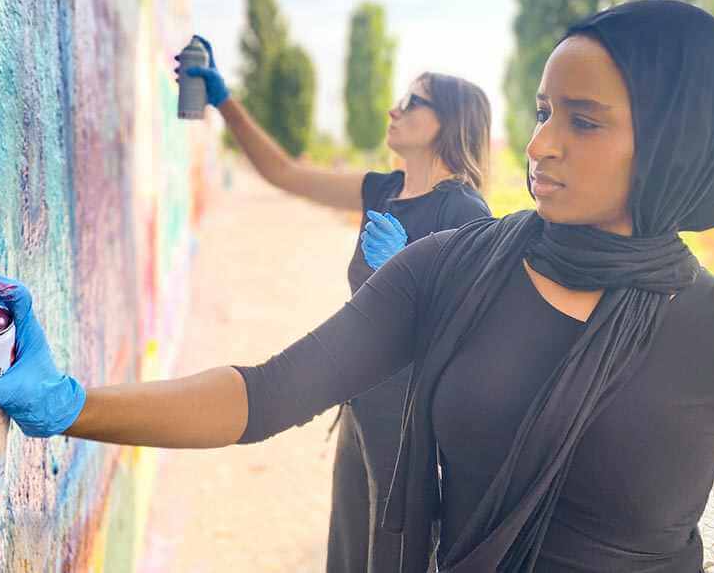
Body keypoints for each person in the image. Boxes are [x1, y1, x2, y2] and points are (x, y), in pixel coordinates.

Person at [0, 0, 714, 572]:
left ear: (674, 143)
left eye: (583, 121)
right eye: (544, 112)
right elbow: (263, 396)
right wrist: (70, 402)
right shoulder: (454, 269)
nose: (543, 144)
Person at [177, 38, 493, 571]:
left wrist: (408, 267)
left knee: (396, 559)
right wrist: (223, 101)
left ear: (449, 121)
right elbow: (283, 173)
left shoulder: (464, 209)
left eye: (413, 101)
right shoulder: (384, 190)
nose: (395, 108)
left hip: (411, 424)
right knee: (349, 554)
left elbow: (473, 335)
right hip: (360, 405)